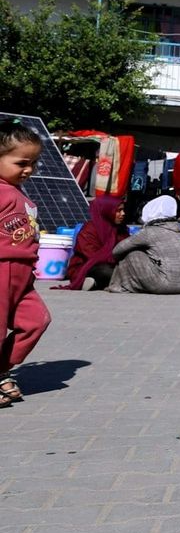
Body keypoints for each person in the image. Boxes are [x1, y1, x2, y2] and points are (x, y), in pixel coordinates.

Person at [0, 121, 51, 409]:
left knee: (36, 321)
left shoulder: (18, 192)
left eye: (33, 162)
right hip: (1, 268)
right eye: (21, 162)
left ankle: (2, 368)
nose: (29, 169)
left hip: (22, 274)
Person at [107, 195, 180, 294]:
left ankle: (119, 285)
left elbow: (117, 250)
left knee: (132, 253)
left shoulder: (149, 232)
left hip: (167, 285)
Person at [56, 195, 128, 290]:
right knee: (105, 271)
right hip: (88, 266)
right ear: (106, 211)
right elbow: (92, 255)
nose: (123, 214)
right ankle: (90, 281)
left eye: (123, 210)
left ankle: (96, 283)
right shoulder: (89, 230)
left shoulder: (121, 229)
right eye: (118, 211)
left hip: (115, 265)